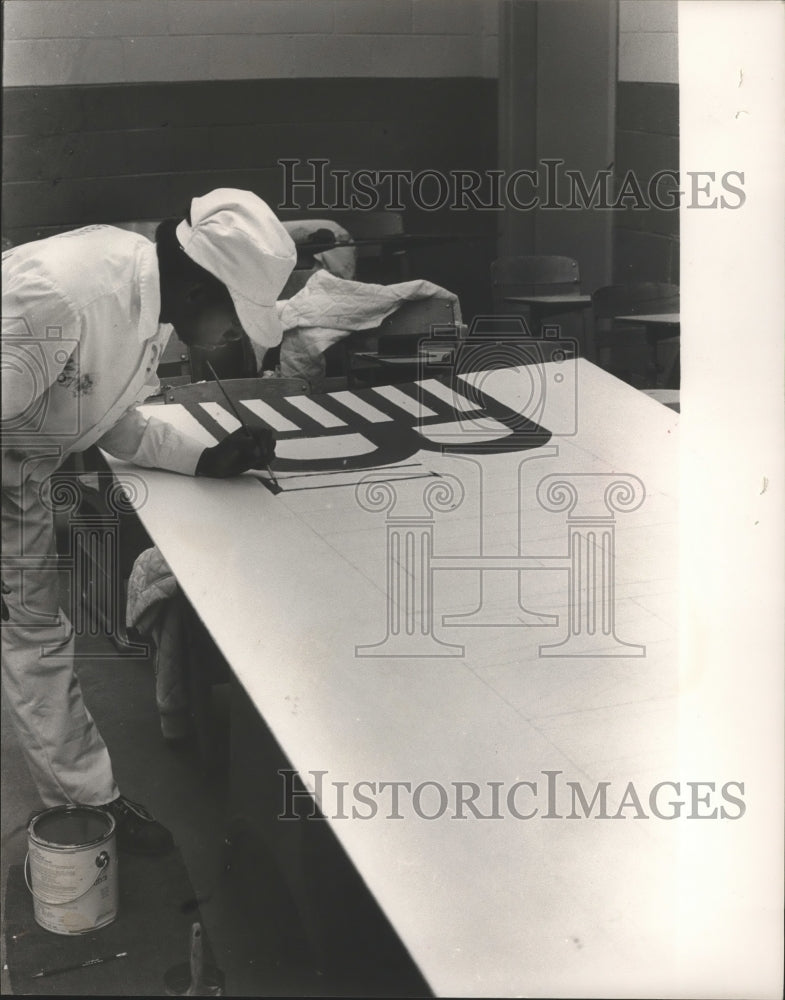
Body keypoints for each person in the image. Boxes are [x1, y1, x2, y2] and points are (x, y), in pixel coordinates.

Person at [1, 189, 296, 854]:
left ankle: (85, 799)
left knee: (33, 638)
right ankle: (85, 811)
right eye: (234, 322)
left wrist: (206, 459)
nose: (232, 339)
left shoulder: (143, 295)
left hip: (20, 464)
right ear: (200, 290)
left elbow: (113, 421)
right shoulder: (65, 294)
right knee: (34, 641)